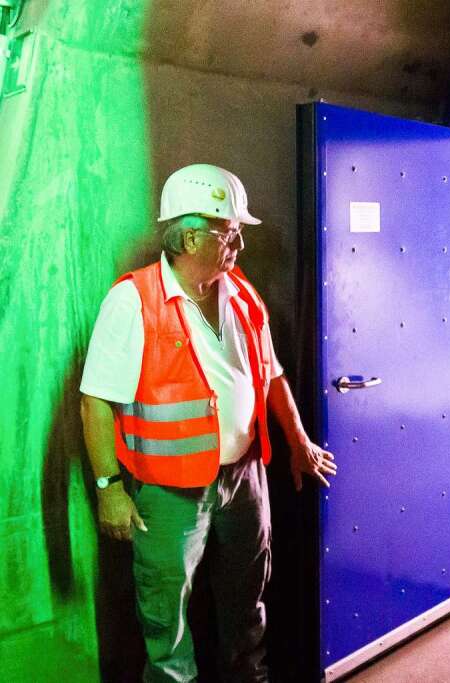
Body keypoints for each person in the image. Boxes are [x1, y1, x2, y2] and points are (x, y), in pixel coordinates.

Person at [80, 163, 336, 682]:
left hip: (244, 479)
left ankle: (248, 675)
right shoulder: (132, 300)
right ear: (190, 234)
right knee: (165, 610)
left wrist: (299, 441)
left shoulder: (241, 294)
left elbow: (271, 376)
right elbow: (95, 401)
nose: (239, 244)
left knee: (248, 596)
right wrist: (109, 487)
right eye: (230, 232)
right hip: (168, 492)